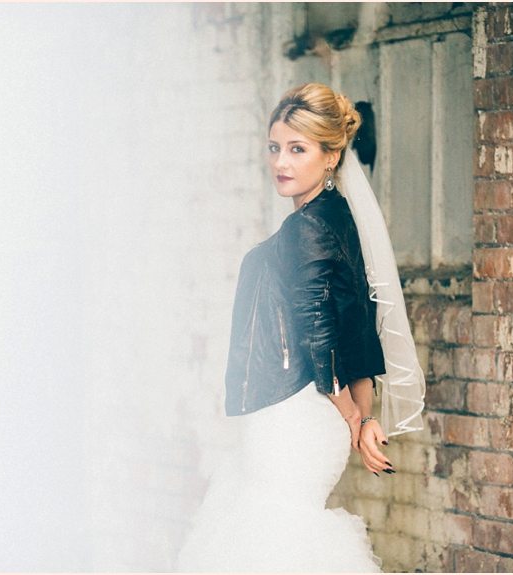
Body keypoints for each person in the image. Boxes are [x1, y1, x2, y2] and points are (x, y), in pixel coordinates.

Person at [175, 83, 425, 572]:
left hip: (293, 415)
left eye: (297, 149)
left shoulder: (306, 227)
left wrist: (354, 419)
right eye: (275, 148)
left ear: (331, 156)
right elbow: (358, 327)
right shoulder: (338, 217)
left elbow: (319, 332)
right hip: (319, 418)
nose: (281, 163)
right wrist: (362, 414)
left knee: (270, 542)